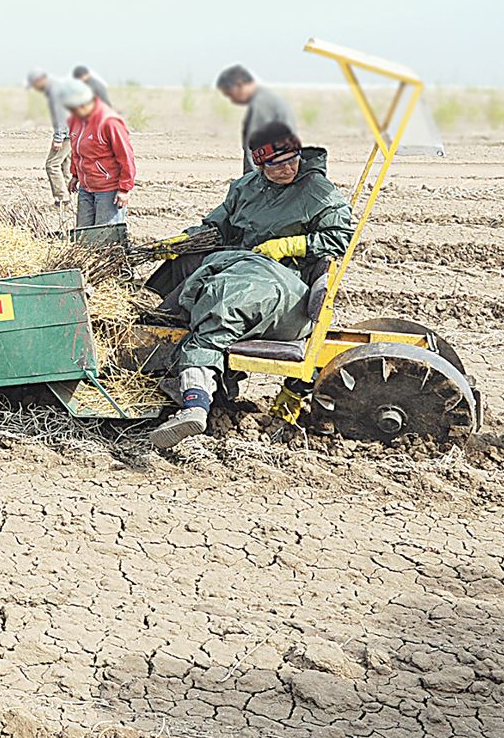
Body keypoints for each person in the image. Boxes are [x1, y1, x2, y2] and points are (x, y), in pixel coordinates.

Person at [146, 122, 354, 449]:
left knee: (225, 297)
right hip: (244, 263)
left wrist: (289, 245)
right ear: (260, 163)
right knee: (181, 267)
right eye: (277, 164)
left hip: (287, 286)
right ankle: (152, 349)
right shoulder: (246, 188)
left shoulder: (318, 192)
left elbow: (340, 237)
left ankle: (195, 400)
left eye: (292, 159)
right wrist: (186, 240)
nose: (288, 168)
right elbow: (218, 226)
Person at [65, 82, 134, 227]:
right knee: (84, 235)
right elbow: (76, 150)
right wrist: (75, 175)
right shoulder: (75, 121)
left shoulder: (109, 122)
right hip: (86, 187)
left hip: (108, 189)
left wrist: (124, 189)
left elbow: (126, 156)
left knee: (104, 236)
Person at [216, 64, 297, 173]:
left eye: (230, 94)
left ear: (239, 86)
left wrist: (253, 181)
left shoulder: (262, 103)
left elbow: (255, 148)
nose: (232, 100)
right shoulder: (265, 97)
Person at [25, 69, 81, 205]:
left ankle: (62, 198)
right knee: (66, 165)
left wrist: (58, 138)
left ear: (40, 81)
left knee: (52, 164)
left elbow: (60, 117)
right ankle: (70, 197)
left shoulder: (55, 92)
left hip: (66, 134)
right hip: (75, 131)